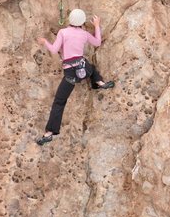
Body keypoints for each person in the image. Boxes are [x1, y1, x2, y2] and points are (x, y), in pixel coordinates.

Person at [35, 8, 114, 146]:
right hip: (83, 68)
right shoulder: (84, 34)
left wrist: (44, 42)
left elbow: (54, 49)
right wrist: (96, 26)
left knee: (59, 102)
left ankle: (49, 133)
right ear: (82, 22)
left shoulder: (63, 32)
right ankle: (99, 82)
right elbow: (97, 42)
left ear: (70, 20)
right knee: (91, 67)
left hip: (70, 76)